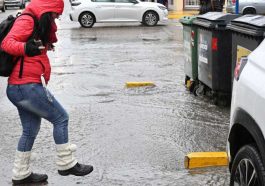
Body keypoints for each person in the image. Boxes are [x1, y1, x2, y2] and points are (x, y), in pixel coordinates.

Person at [1, 0, 93, 185]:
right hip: (26, 87)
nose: (57, 17)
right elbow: (7, 43)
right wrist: (27, 48)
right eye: (55, 14)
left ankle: (21, 174)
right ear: (47, 10)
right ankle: (66, 163)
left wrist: (43, 46)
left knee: (29, 130)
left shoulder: (35, 22)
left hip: (21, 87)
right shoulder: (28, 20)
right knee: (61, 118)